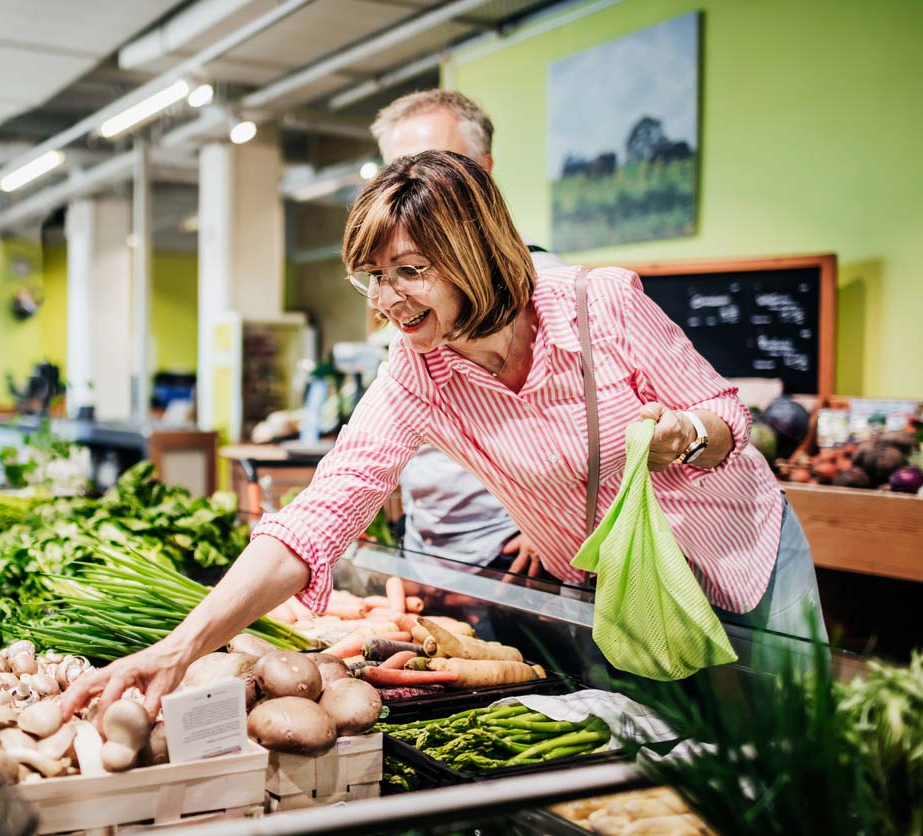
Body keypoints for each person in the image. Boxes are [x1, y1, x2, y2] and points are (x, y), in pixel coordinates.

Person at [62, 150, 824, 721]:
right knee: (672, 757)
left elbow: (730, 418)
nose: (387, 301)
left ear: (471, 250)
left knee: (792, 744)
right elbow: (320, 515)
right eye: (373, 277)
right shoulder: (416, 373)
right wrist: (178, 646)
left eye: (410, 271)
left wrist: (686, 434)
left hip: (736, 554)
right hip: (619, 590)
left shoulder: (600, 304)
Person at [371, 89, 557, 578]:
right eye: (399, 174)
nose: (415, 191)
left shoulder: (552, 292)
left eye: (437, 166)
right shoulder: (406, 313)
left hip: (513, 554)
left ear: (483, 171)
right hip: (430, 548)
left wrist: (557, 527)